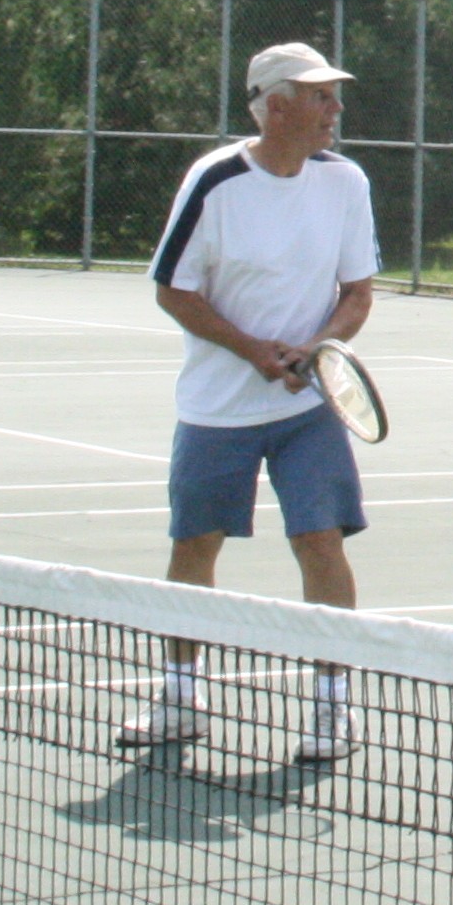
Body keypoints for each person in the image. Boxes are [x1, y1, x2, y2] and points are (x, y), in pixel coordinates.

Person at [115, 41, 378, 762]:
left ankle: (332, 707)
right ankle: (179, 697)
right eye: (320, 95)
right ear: (276, 103)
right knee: (194, 547)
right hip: (217, 408)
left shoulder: (345, 182)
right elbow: (174, 289)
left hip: (307, 408)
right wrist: (252, 350)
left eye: (334, 95)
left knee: (319, 542)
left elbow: (357, 292)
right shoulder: (216, 181)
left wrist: (315, 348)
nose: (335, 108)